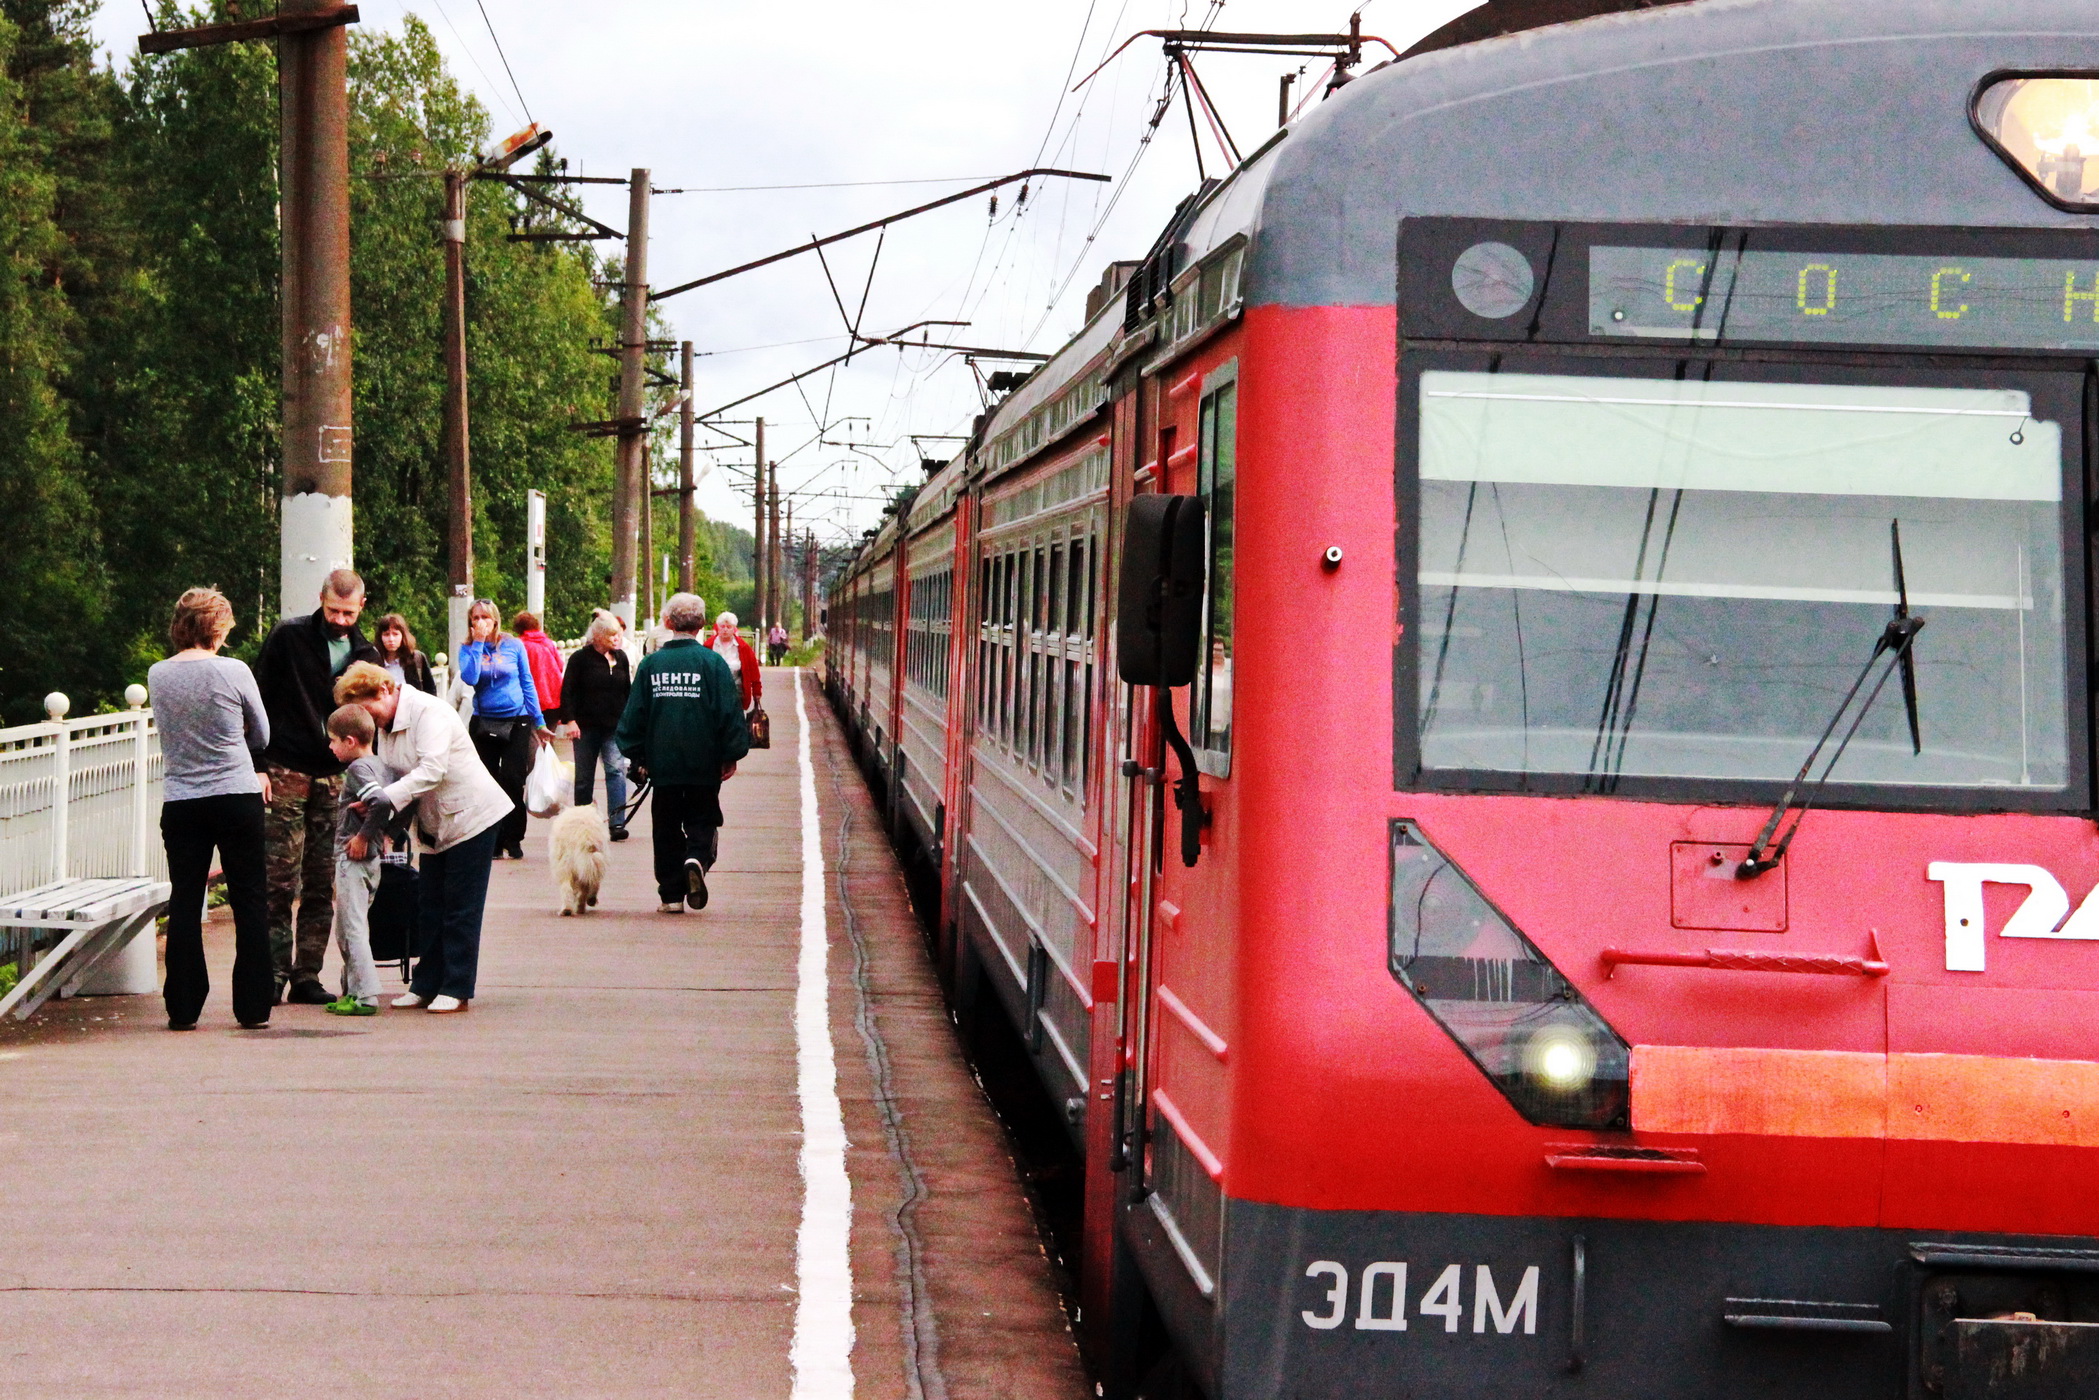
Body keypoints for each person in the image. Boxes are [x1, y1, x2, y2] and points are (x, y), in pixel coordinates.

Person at [336, 662, 512, 1013]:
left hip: (471, 816)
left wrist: (385, 800)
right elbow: (391, 783)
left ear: (384, 691)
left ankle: (457, 986)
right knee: (429, 905)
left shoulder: (430, 713)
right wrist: (381, 824)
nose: (365, 718)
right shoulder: (384, 728)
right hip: (432, 825)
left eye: (366, 707)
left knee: (460, 907)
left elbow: (432, 770)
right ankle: (425, 983)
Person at [149, 588, 275, 1030]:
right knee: (249, 897)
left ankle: (183, 1007)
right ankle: (254, 1004)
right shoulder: (234, 670)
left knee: (185, 898)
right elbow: (261, 733)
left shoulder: (157, 675)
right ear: (217, 627)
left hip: (182, 797)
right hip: (237, 796)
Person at [255, 567, 376, 1003]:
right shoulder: (288, 638)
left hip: (335, 776)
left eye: (348, 612)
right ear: (320, 602)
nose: (341, 620)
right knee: (278, 878)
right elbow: (258, 701)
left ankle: (307, 975)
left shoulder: (367, 654)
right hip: (286, 766)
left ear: (362, 605)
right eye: (333, 611)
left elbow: (369, 725)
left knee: (323, 879)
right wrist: (257, 763)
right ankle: (271, 973)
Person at [616, 593, 751, 913]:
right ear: (703, 624)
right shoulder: (713, 664)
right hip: (704, 761)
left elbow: (634, 715)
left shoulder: (651, 665)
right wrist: (731, 753)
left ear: (667, 623)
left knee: (665, 825)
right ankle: (696, 858)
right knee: (703, 817)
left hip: (663, 764)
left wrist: (638, 757)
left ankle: (671, 895)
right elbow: (729, 712)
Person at [321, 704, 404, 1016]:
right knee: (347, 928)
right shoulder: (383, 765)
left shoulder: (357, 769)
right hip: (371, 861)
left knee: (351, 928)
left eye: (333, 740)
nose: (330, 747)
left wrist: (363, 836)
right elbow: (400, 800)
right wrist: (389, 831)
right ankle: (351, 990)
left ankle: (365, 995)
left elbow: (379, 802)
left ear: (350, 741)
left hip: (352, 858)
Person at [458, 598, 551, 860]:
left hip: (517, 719)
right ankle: (493, 840)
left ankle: (513, 837)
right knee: (486, 782)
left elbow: (526, 681)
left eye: (485, 618)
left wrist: (539, 721)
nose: (480, 622)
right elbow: (470, 678)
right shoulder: (467, 648)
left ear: (495, 620)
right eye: (475, 618)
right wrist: (478, 643)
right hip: (484, 720)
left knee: (512, 778)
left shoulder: (513, 645)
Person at [561, 609, 633, 841]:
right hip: (585, 726)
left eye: (618, 634)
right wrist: (570, 720)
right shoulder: (580, 659)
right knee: (584, 776)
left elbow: (627, 691)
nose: (616, 638)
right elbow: (568, 691)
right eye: (611, 635)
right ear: (599, 636)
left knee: (616, 770)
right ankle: (583, 823)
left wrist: (631, 720)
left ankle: (617, 823)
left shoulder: (621, 658)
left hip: (614, 726)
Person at [514, 611, 565, 723]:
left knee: (534, 738)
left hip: (531, 701)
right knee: (549, 736)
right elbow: (560, 666)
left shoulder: (520, 646)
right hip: (554, 698)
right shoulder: (548, 642)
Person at [710, 611, 763, 715]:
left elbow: (754, 671)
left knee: (734, 725)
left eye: (728, 627)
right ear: (717, 628)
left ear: (734, 629)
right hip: (713, 693)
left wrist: (757, 691)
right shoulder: (709, 645)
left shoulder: (743, 647)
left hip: (736, 694)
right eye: (722, 626)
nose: (725, 629)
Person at [371, 613, 436, 694]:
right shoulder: (373, 661)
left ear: (403, 635)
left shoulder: (416, 659)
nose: (391, 639)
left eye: (395, 634)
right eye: (386, 634)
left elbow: (430, 690)